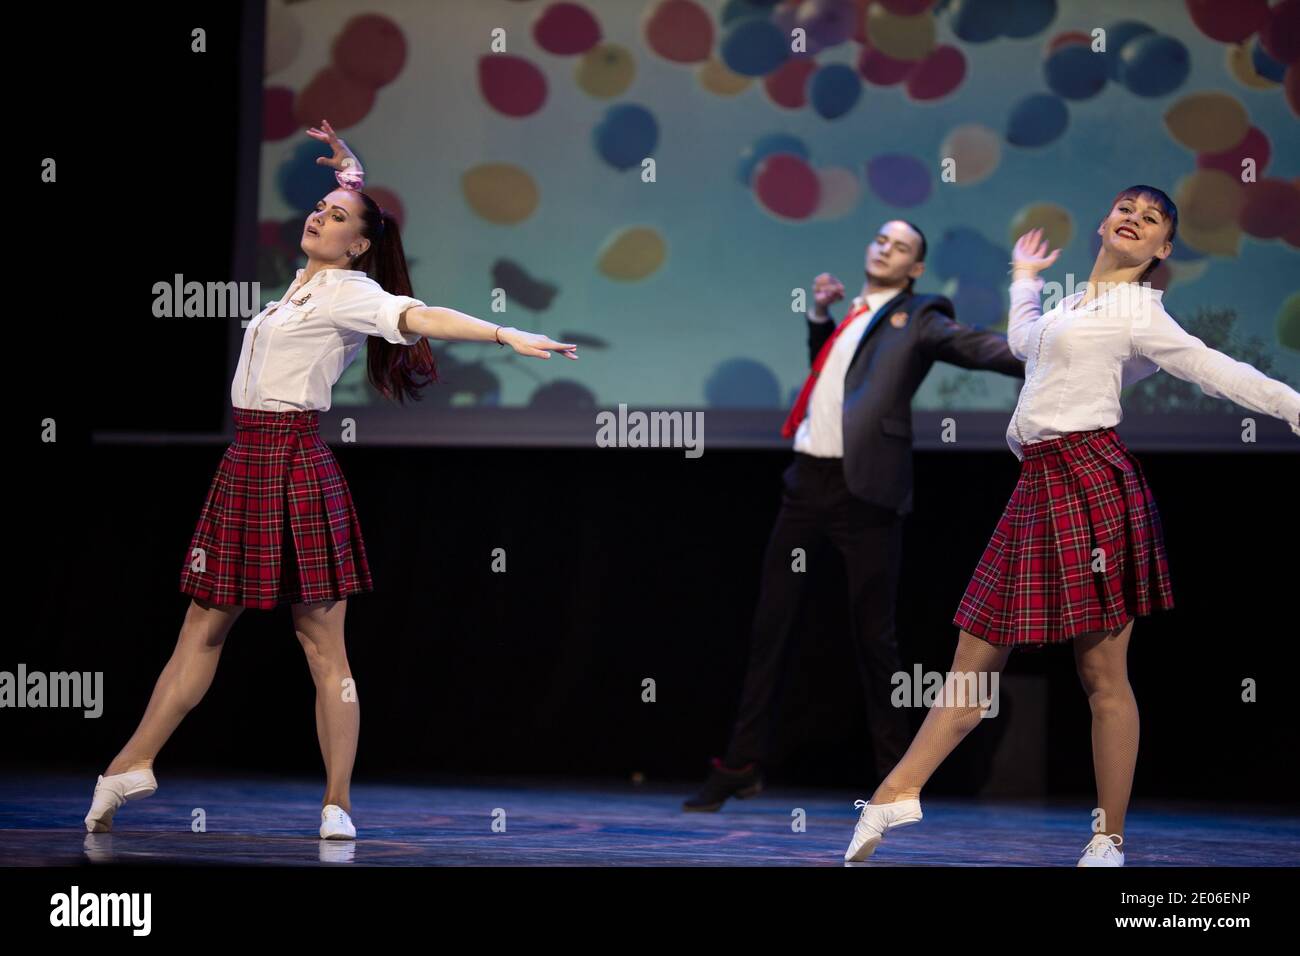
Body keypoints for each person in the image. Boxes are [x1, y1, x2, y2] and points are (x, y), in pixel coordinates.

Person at [84, 120, 578, 840]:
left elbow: (417, 313)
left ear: (361, 246)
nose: (320, 216)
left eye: (338, 216)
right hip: (244, 464)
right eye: (319, 208)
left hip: (292, 464)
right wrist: (350, 172)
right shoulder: (298, 291)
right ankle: (132, 762)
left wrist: (505, 334)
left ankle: (337, 800)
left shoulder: (351, 291)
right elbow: (347, 212)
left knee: (322, 645)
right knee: (202, 629)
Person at [844, 186, 1300, 866]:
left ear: (1162, 249)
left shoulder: (1141, 313)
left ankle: (1107, 837)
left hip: (1091, 481)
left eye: (1151, 221)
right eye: (1126, 209)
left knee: (1101, 674)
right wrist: (1024, 281)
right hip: (1035, 486)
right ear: (1103, 221)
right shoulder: (1072, 305)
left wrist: (1294, 407)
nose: (1134, 220)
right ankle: (898, 791)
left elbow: (1214, 369)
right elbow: (1027, 344)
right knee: (972, 662)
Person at [685, 219, 1024, 811]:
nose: (884, 246)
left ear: (916, 268)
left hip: (864, 490)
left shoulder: (920, 315)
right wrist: (819, 319)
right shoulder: (851, 312)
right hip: (804, 483)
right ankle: (740, 764)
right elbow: (835, 380)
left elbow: (973, 346)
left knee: (875, 639)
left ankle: (897, 778)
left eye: (899, 245)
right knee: (771, 629)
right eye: (880, 238)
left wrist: (1038, 352)